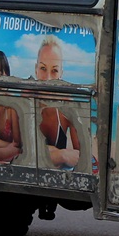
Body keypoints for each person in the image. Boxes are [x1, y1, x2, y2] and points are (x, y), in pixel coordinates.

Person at [33, 36, 80, 169]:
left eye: (54, 71)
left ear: (61, 74)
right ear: (36, 69)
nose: (48, 78)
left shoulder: (67, 108)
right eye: (43, 69)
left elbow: (81, 156)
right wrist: (62, 155)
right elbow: (24, 152)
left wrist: (48, 152)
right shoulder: (26, 102)